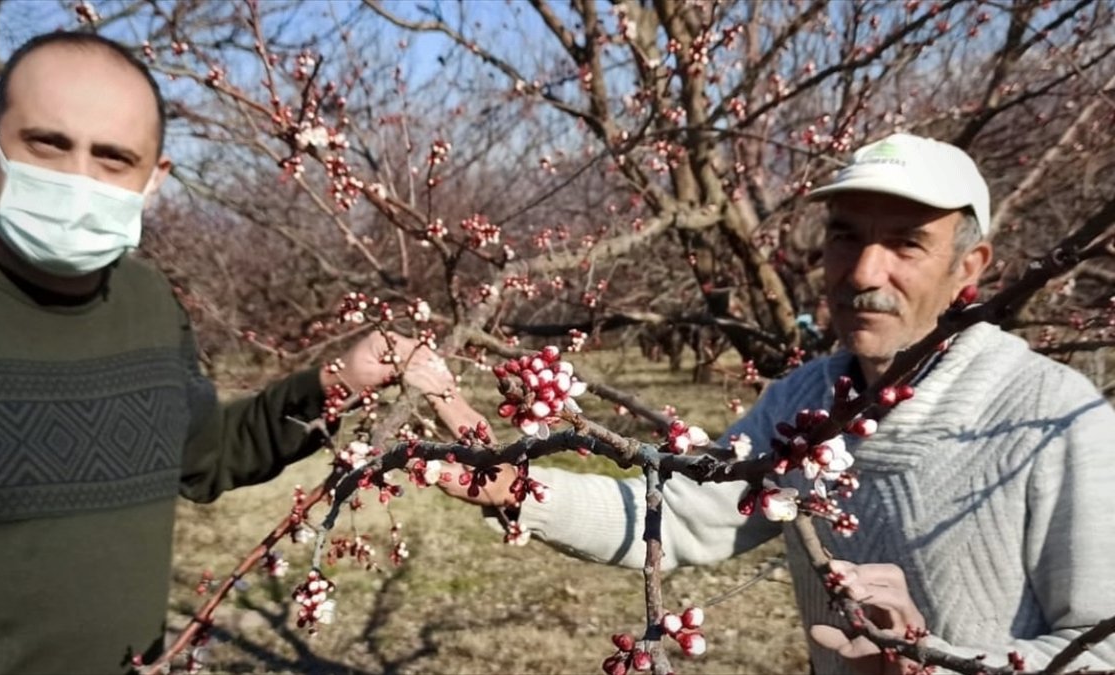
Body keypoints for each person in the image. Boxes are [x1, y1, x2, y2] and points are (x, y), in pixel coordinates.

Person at [434, 133, 1115, 674]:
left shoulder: (1055, 417)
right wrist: (520, 489)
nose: (864, 271)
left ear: (970, 268)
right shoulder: (805, 402)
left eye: (907, 242)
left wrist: (929, 666)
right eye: (846, 234)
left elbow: (1102, 649)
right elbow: (682, 513)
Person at [0, 32, 447, 675]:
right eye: (47, 144)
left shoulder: (147, 301)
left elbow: (204, 454)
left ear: (154, 177)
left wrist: (340, 380)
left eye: (113, 159)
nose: (78, 178)